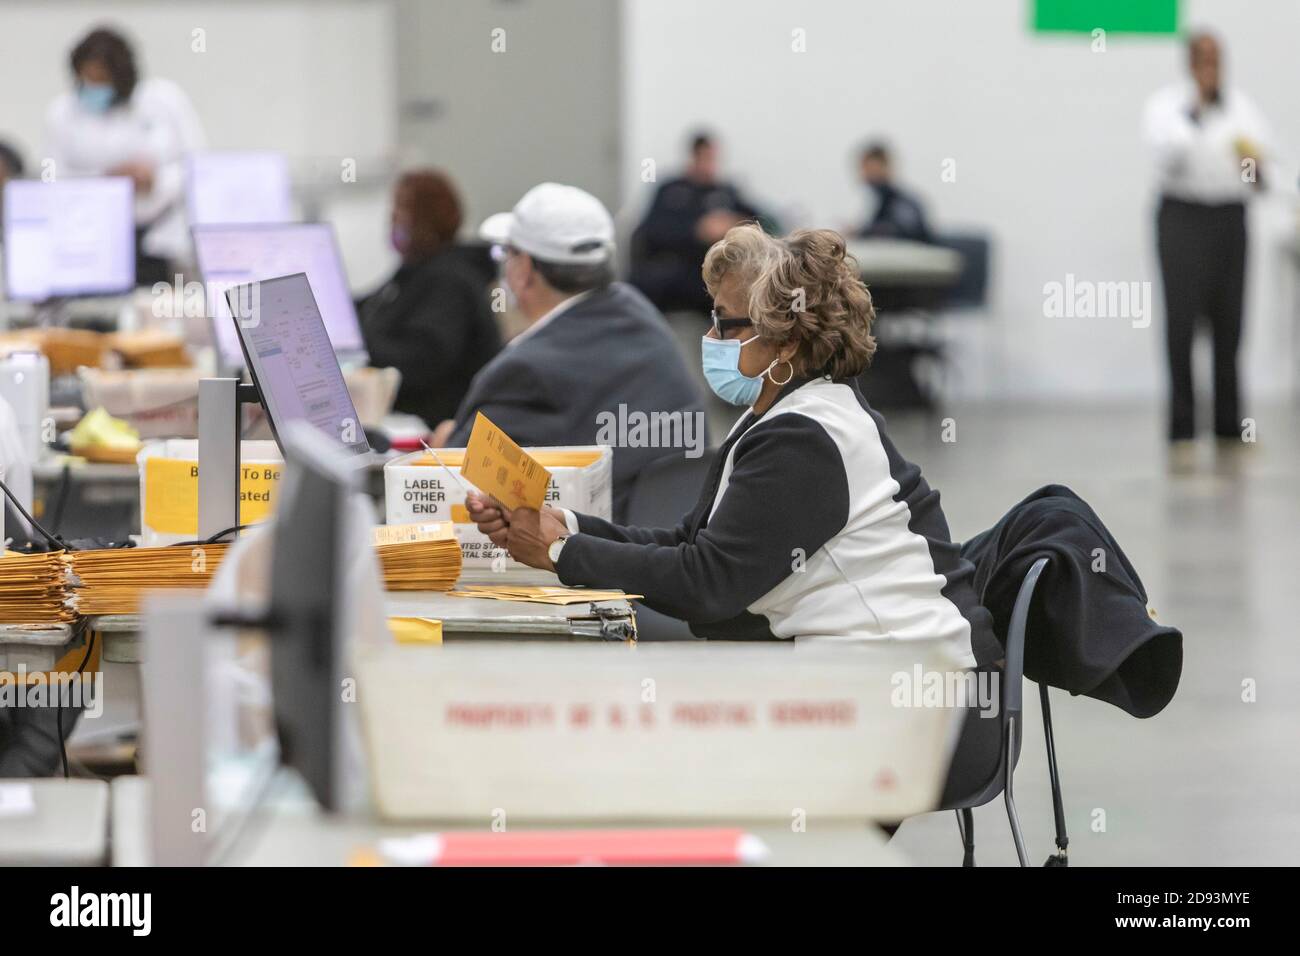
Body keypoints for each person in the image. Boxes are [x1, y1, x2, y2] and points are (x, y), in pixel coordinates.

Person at [467, 224, 997, 667]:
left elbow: (708, 585)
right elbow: (691, 542)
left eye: (725, 322)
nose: (710, 336)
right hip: (869, 676)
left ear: (786, 338)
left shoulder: (806, 439)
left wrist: (562, 554)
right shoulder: (785, 413)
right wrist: (570, 526)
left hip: (924, 702)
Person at [432, 182, 707, 523]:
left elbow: (450, 477)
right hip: (669, 546)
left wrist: (446, 438)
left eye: (506, 254)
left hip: (601, 561)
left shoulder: (527, 369)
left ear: (525, 271)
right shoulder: (645, 318)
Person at [1143, 31, 1273, 463]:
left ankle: (1228, 428)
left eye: (1216, 59)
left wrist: (1251, 163)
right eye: (1202, 60)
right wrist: (1197, 109)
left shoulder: (1243, 109)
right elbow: (1169, 156)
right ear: (1190, 63)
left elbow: (1260, 178)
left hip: (1228, 219)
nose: (1210, 68)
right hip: (1182, 216)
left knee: (1229, 322)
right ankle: (1182, 430)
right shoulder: (1166, 107)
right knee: (1181, 325)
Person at [44, 27, 205, 283]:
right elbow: (55, 179)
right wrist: (106, 180)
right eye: (88, 79)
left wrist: (156, 180)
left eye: (102, 80)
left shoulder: (163, 100)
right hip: (95, 236)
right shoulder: (63, 113)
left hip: (159, 234)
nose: (94, 87)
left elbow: (197, 166)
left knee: (156, 310)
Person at [357, 170, 501, 427]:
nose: (392, 219)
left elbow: (421, 360)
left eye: (400, 211)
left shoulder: (450, 281)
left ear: (423, 220)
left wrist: (359, 343)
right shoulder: (413, 273)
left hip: (437, 427)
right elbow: (371, 306)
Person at [630, 132, 771, 312]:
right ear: (694, 157)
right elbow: (650, 230)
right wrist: (697, 230)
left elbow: (759, 221)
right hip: (671, 269)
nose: (710, 165)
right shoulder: (670, 190)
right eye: (705, 158)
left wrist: (733, 225)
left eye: (713, 158)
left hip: (710, 273)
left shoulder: (725, 192)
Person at [856, 141, 934, 243]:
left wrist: (862, 233)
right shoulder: (881, 200)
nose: (865, 174)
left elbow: (907, 231)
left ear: (885, 167)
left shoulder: (901, 202)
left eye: (871, 168)